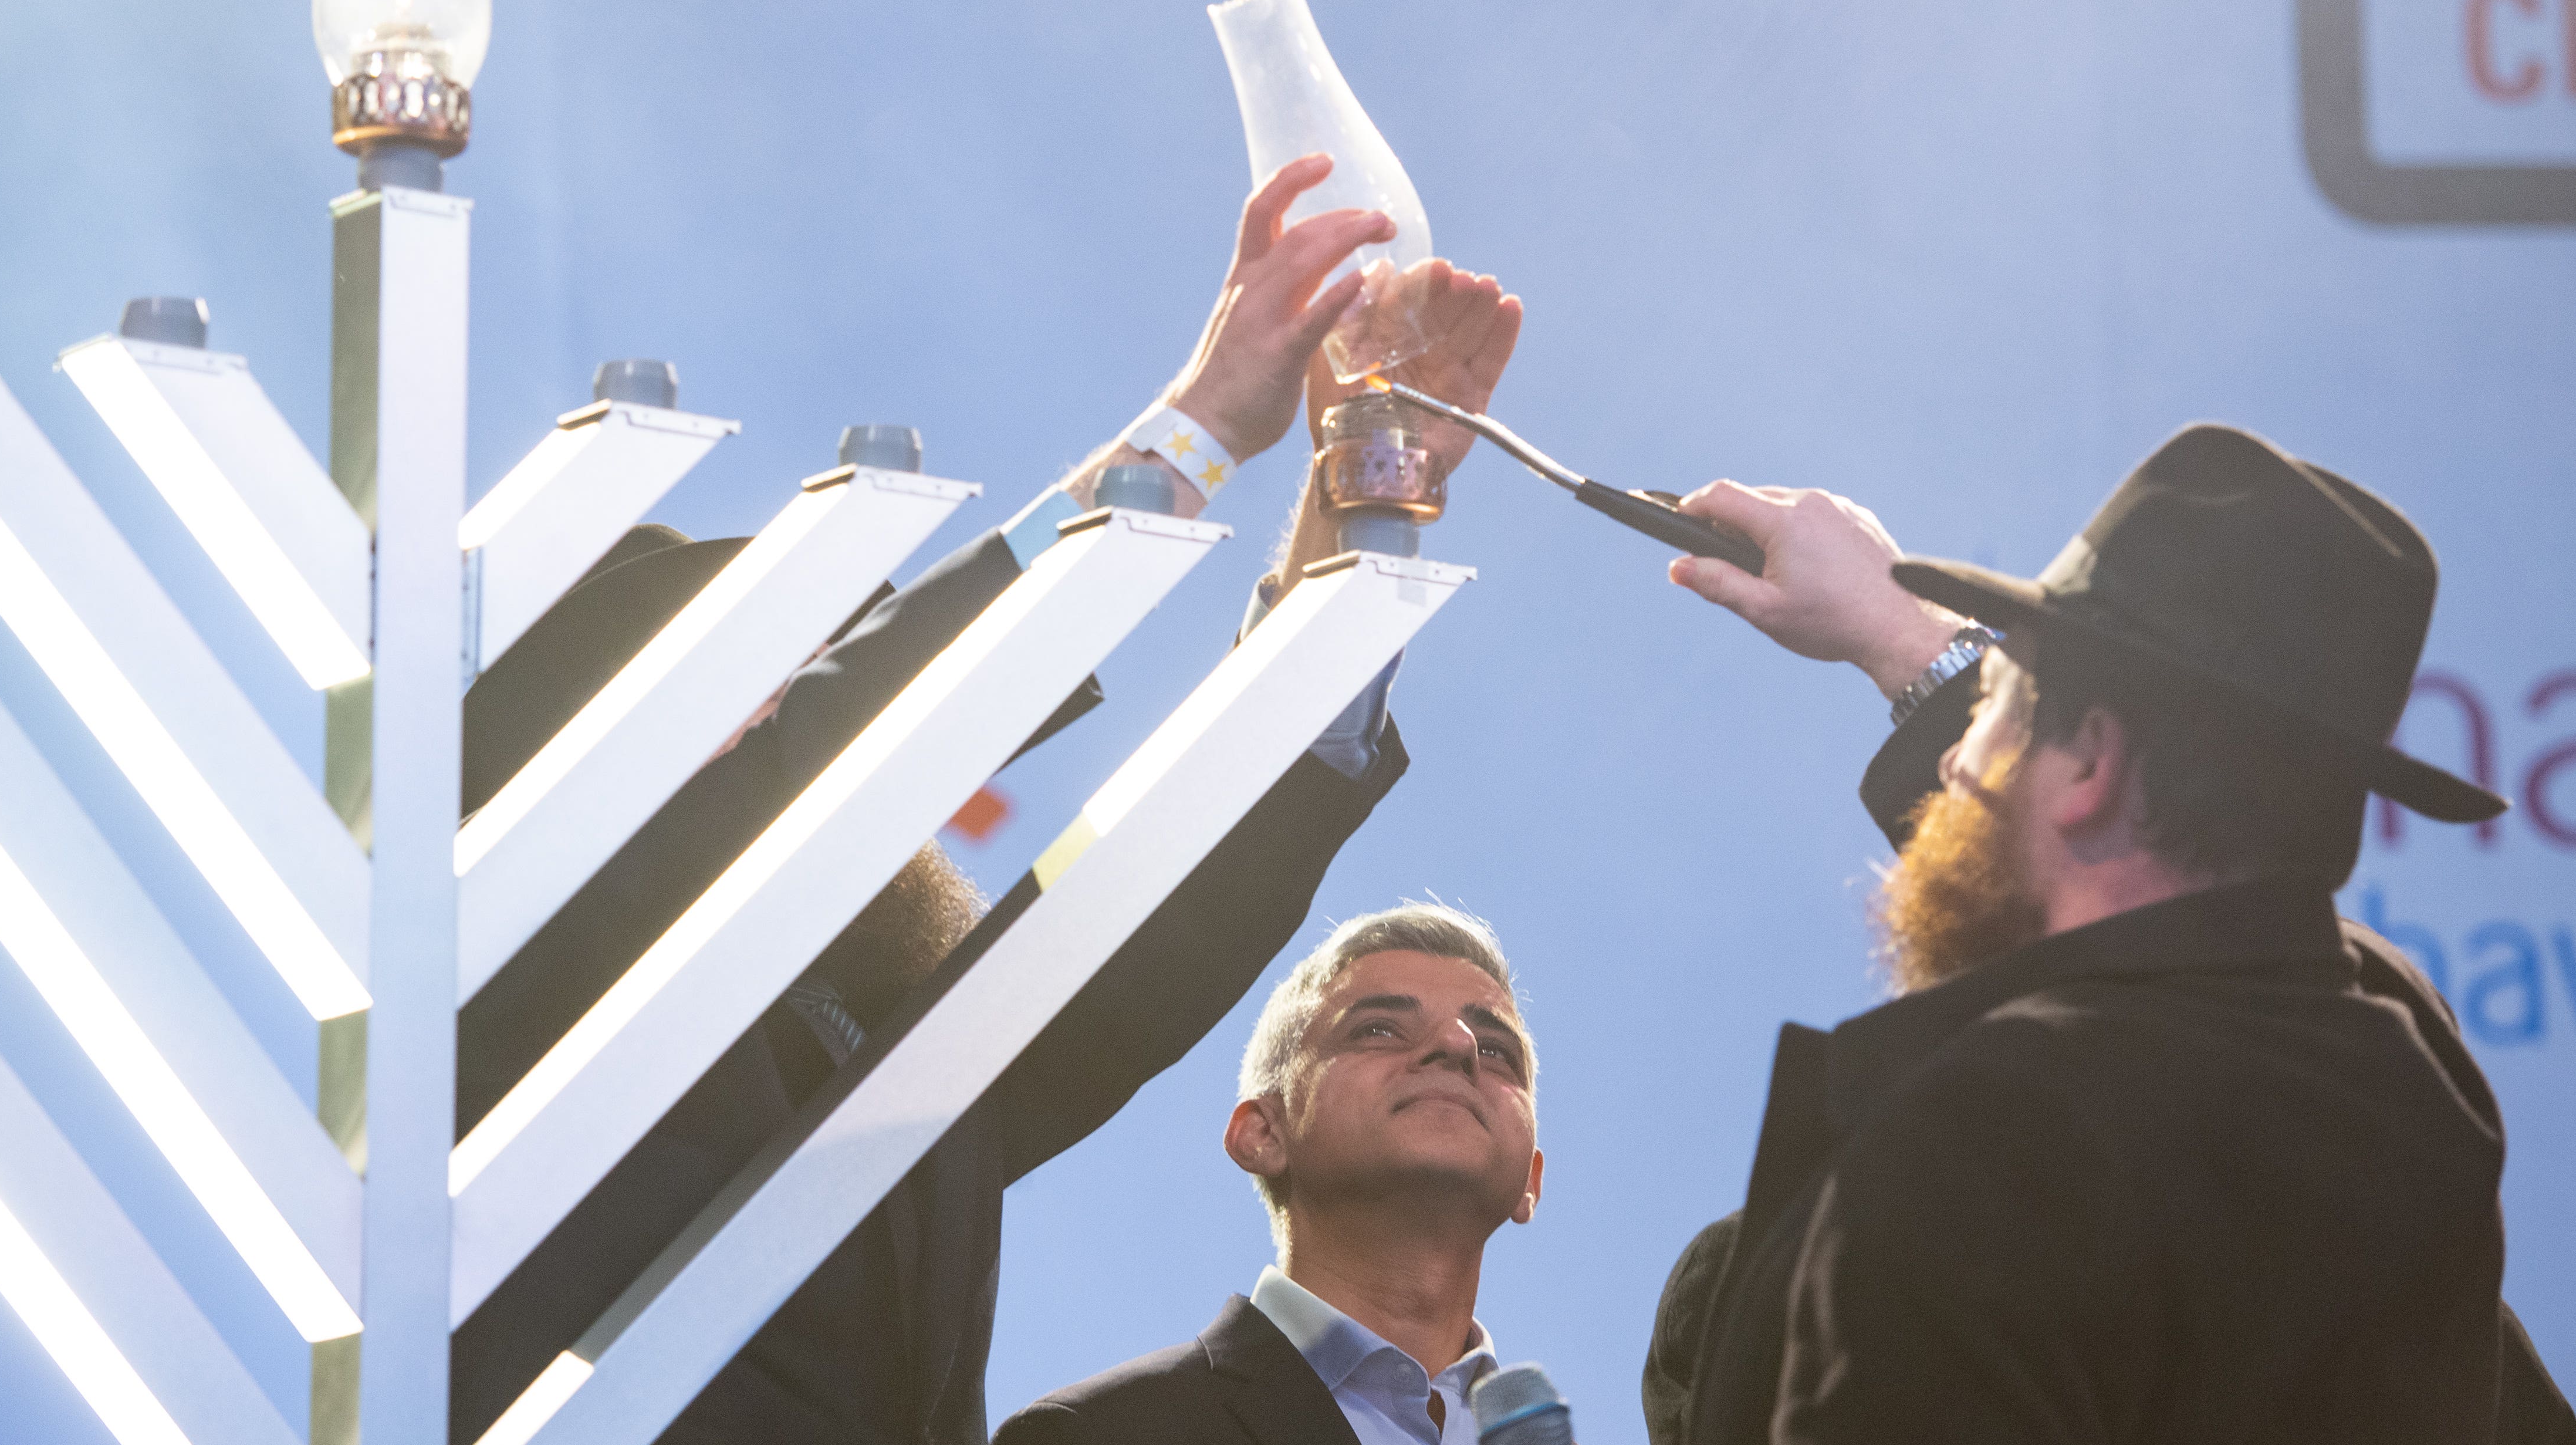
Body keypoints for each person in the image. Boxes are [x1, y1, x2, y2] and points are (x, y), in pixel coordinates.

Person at [445, 153, 1523, 1445]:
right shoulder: (508, 932)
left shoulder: (900, 1053)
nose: (783, 694)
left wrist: (1365, 498)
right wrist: (1199, 427)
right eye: (731, 672)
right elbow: (838, 737)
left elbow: (1155, 918)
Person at [1641, 424, 2575, 1445]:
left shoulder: (1985, 1150)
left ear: (2092, 764)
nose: (1958, 768)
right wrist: (1914, 643)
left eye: (1998, 702)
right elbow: (2210, 946)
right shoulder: (2404, 1068)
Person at [996, 902, 1542, 1445]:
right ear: (1262, 1134)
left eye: (1496, 1050)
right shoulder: (1097, 1433)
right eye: (1379, 1030)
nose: (1458, 1045)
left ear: (1530, 1183)